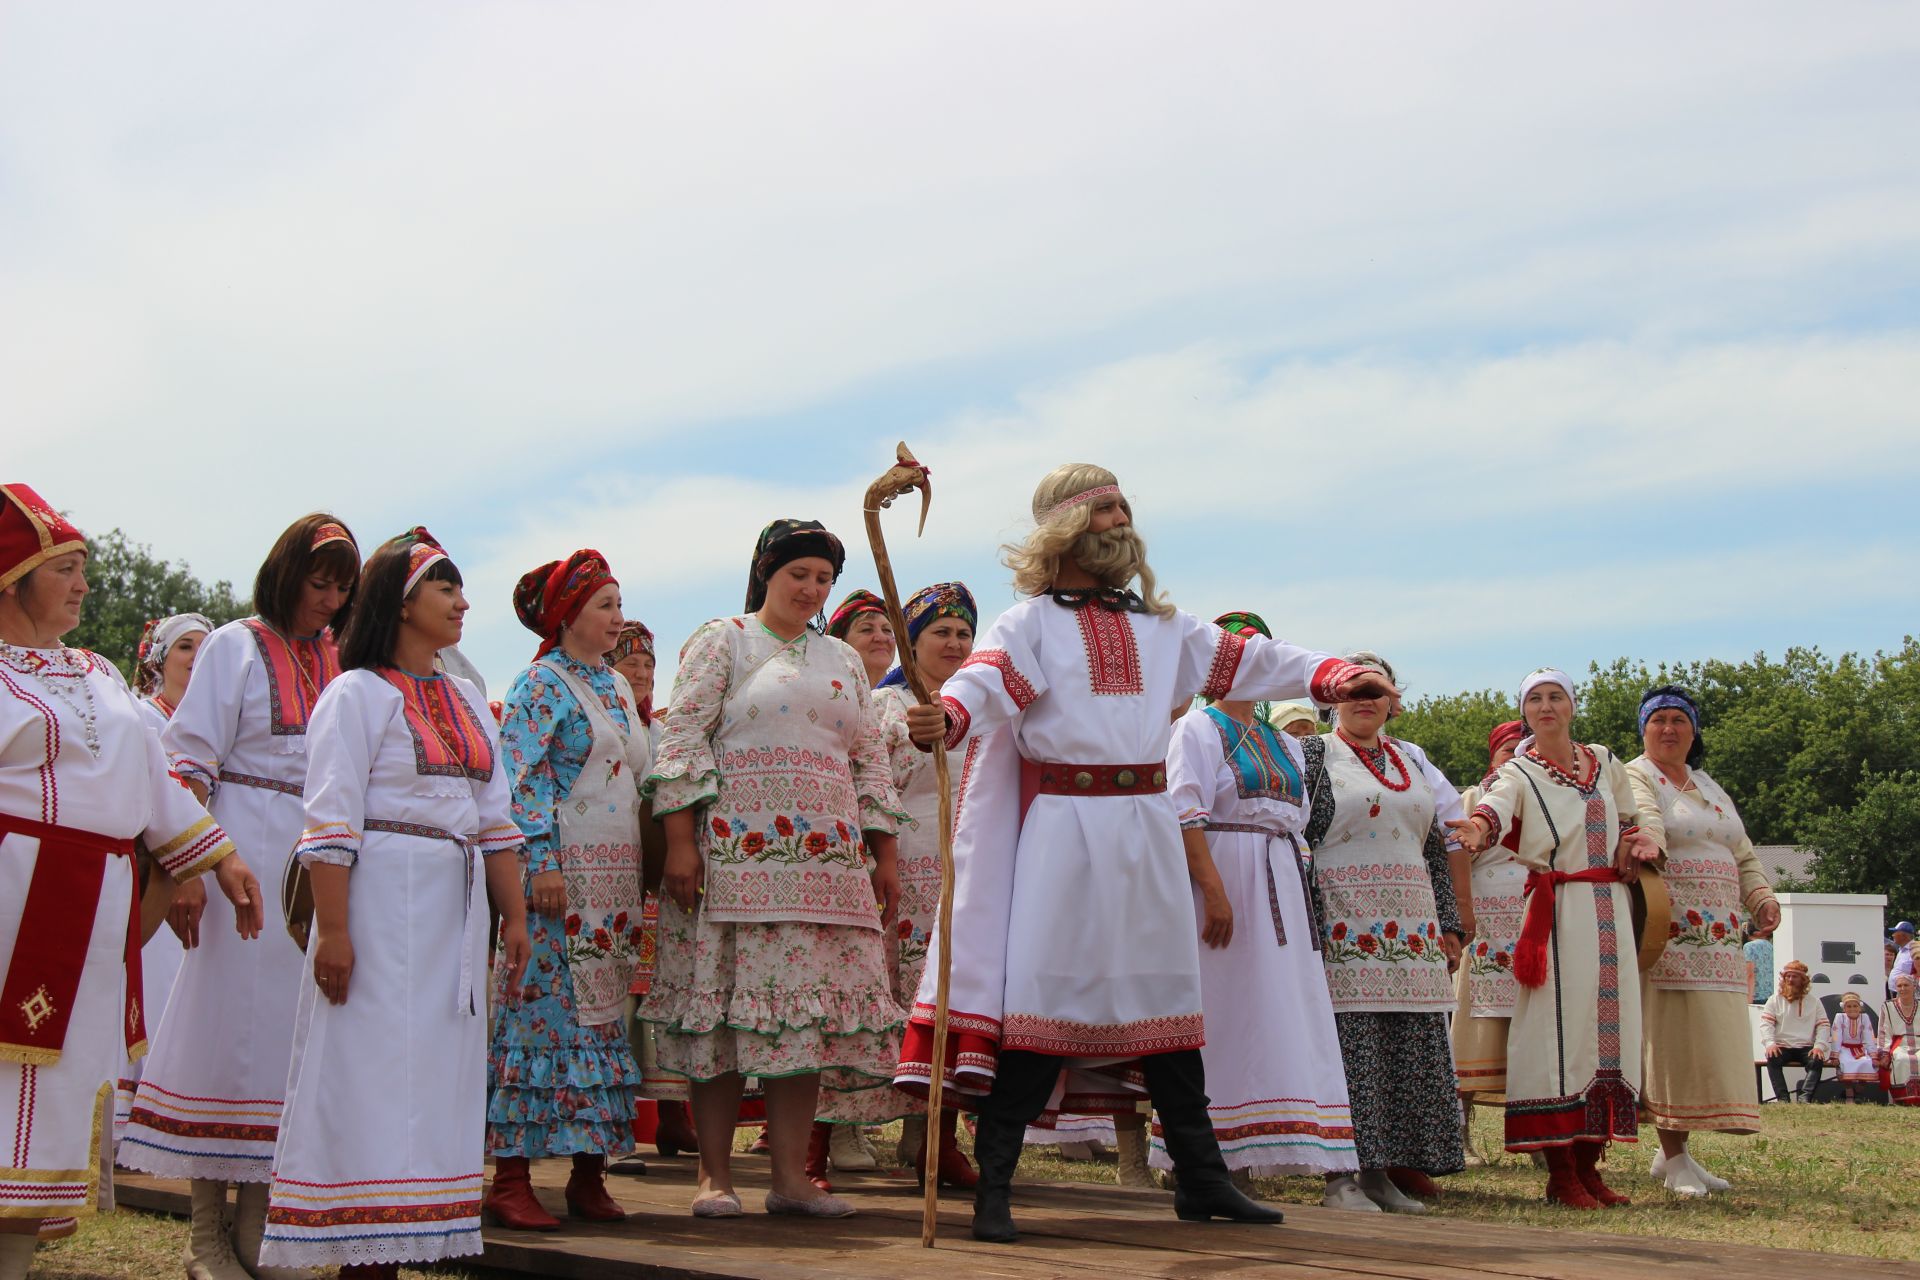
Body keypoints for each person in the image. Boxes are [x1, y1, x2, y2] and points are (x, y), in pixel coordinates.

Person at [894, 463, 1400, 1243]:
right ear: (1065, 527)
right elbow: (983, 684)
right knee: (1042, 1001)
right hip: (1062, 830)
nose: (1121, 521)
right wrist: (948, 717)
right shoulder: (1028, 624)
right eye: (1104, 510)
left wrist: (1332, 673)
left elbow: (1252, 658)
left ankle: (1200, 1179)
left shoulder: (1165, 626)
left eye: (1124, 507)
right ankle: (995, 1187)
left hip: (1148, 825)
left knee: (1171, 1008)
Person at [0, 485, 262, 1280]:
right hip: (15, 896)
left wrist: (219, 855)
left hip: (93, 907)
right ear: (11, 580)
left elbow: (154, 781)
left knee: (59, 1085)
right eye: (66, 569)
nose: (83, 585)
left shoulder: (98, 671)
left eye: (84, 568)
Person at [257, 530, 531, 1279]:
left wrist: (515, 920)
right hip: (376, 900)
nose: (462, 602)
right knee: (369, 1066)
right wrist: (334, 932)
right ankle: (359, 1256)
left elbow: (495, 817)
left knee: (439, 1070)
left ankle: (410, 1236)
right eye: (447, 589)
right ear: (403, 604)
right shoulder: (356, 693)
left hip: (454, 903)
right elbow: (331, 820)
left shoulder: (470, 700)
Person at [641, 519, 906, 1220]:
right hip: (735, 859)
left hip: (830, 865)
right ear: (766, 573)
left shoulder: (844, 659)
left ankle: (791, 1178)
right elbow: (683, 739)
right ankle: (714, 1176)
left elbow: (870, 757)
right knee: (726, 1020)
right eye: (799, 575)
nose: (811, 589)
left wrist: (883, 853)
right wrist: (679, 842)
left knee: (804, 1024)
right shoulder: (722, 640)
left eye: (823, 579)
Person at [122, 513, 359, 1280]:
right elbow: (185, 761)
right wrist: (186, 868)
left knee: (286, 1048)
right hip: (237, 856)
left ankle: (257, 1227)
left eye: (341, 587)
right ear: (285, 574)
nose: (328, 599)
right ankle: (203, 1237)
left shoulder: (338, 659)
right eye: (318, 582)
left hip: (308, 868)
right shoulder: (234, 644)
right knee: (223, 1037)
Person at [1154, 612, 1361, 1204]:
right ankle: (1213, 1155)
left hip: (1282, 887)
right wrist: (1212, 888)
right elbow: (1185, 809)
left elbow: (1297, 827)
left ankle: (1322, 1161)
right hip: (1224, 879)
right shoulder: (1197, 728)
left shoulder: (1287, 744)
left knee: (1289, 1008)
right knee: (1225, 1010)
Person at [1451, 668, 1661, 1210]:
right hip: (1558, 906)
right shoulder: (1519, 769)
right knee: (1555, 1029)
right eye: (1535, 699)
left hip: (1610, 904)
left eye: (1556, 697)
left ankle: (1590, 1166)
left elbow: (1634, 817)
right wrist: (1478, 828)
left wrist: (1633, 842)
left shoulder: (1604, 761)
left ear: (1571, 705)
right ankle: (1560, 1171)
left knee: (1609, 1031)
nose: (1546, 707)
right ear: (1525, 712)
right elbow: (1495, 805)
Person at [482, 551, 650, 1229]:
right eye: (604, 605)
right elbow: (520, 779)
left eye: (617, 604)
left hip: (612, 880)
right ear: (567, 615)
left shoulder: (613, 686)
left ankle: (589, 1173)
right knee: (540, 1017)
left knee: (602, 1019)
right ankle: (512, 1179)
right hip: (559, 880)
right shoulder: (539, 684)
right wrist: (540, 863)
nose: (617, 618)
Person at [1300, 652, 1465, 1214]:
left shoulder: (1411, 761)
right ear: (1330, 699)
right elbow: (1296, 842)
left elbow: (1437, 846)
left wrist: (1449, 923)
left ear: (1393, 699)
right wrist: (1308, 922)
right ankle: (1338, 1177)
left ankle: (1379, 1173)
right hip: (1344, 924)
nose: (1364, 699)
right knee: (1350, 1049)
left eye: (1376, 689)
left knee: (1401, 1049)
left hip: (1410, 927)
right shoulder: (1312, 757)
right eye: (1351, 689)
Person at [1625, 685, 1778, 1196]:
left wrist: (1760, 898)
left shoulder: (1709, 786)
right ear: (1644, 729)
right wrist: (1650, 840)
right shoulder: (1635, 775)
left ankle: (1676, 1157)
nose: (1669, 729)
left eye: (1679, 720)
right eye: (1658, 720)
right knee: (1673, 1042)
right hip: (1668, 931)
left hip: (1718, 940)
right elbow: (1646, 822)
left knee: (1706, 1042)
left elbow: (1743, 851)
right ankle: (1673, 1154)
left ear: (1694, 730)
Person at [870, 582, 981, 1189]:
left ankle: (931, 1141)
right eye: (941, 632)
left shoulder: (979, 713)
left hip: (962, 876)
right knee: (882, 996)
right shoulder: (883, 709)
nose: (955, 643)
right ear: (911, 643)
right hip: (897, 872)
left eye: (964, 633)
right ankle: (831, 1133)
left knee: (944, 1003)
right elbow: (869, 790)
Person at [113, 613, 214, 1145]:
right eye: (185, 647)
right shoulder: (144, 718)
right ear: (160, 658)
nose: (196, 656)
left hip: (204, 875)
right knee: (151, 991)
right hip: (154, 879)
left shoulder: (217, 725)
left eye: (206, 647)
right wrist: (178, 871)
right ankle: (133, 1128)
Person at [1451, 720, 1525, 1129]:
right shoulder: (1473, 799)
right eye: (1506, 751)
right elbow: (1455, 856)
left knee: (1532, 1035)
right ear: (1492, 756)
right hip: (1484, 929)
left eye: (1522, 751)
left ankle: (1533, 1134)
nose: (1514, 759)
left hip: (1533, 927)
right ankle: (1461, 1130)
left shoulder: (1541, 800)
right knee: (1472, 1032)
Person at [1760, 960, 1831, 1102]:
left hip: (1805, 1047)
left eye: (1795, 977)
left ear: (1803, 980)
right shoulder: (1774, 1000)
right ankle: (1783, 1099)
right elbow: (1766, 1024)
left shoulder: (1814, 1002)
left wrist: (1819, 1047)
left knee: (1816, 1059)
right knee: (1772, 1059)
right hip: (1782, 1046)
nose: (1790, 980)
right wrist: (1770, 1044)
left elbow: (1823, 1025)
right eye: (1788, 976)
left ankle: (1805, 1098)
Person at [1879, 974, 1920, 1106]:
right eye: (1899, 986)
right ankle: (1904, 1099)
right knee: (1902, 1059)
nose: (1902, 989)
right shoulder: (1888, 1006)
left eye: (1906, 985)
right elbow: (1884, 1031)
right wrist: (1884, 1052)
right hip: (1899, 1044)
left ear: (1914, 987)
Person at [1831, 992, 1877, 1104]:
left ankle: (1858, 1091)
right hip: (1844, 1050)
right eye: (1849, 1006)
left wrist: (1873, 1054)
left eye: (1855, 1006)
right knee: (1846, 1064)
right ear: (1844, 1008)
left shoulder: (1864, 1017)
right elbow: (1836, 1036)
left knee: (1867, 1063)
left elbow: (1869, 1035)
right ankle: (1849, 1096)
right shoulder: (1840, 1017)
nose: (1852, 1009)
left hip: (1859, 1049)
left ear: (1860, 1007)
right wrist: (1835, 1055)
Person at [1749, 925, 1778, 1005]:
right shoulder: (1772, 947)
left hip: (1755, 995)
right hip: (1771, 994)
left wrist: (1748, 999)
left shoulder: (1749, 946)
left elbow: (1750, 974)